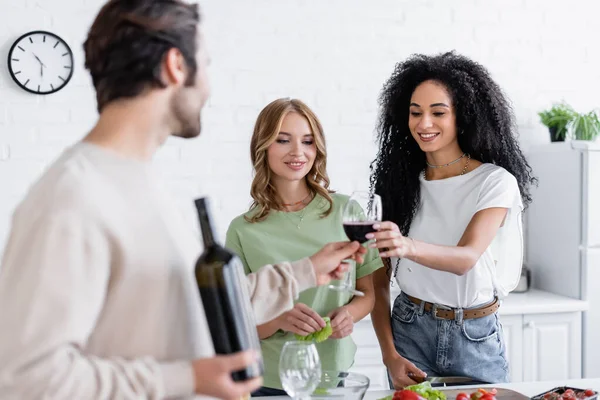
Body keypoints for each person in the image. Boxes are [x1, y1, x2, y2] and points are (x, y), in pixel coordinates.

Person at [0, 2, 367, 400]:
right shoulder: (72, 199)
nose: (208, 85)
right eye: (205, 64)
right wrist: (186, 379)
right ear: (176, 65)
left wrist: (305, 272)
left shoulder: (139, 186)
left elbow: (194, 309)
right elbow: (25, 378)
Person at [367, 52, 537, 389]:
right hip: (409, 330)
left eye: (438, 112)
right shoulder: (399, 184)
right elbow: (377, 280)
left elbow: (466, 258)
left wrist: (407, 245)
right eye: (415, 113)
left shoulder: (494, 181)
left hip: (474, 337)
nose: (424, 123)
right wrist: (390, 355)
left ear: (463, 116)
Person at [225, 98, 383, 396]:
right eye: (283, 140)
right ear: (263, 147)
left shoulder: (347, 212)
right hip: (270, 380)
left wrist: (349, 314)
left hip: (333, 372)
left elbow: (369, 292)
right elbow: (237, 322)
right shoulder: (242, 229)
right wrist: (279, 319)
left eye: (308, 141)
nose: (298, 152)